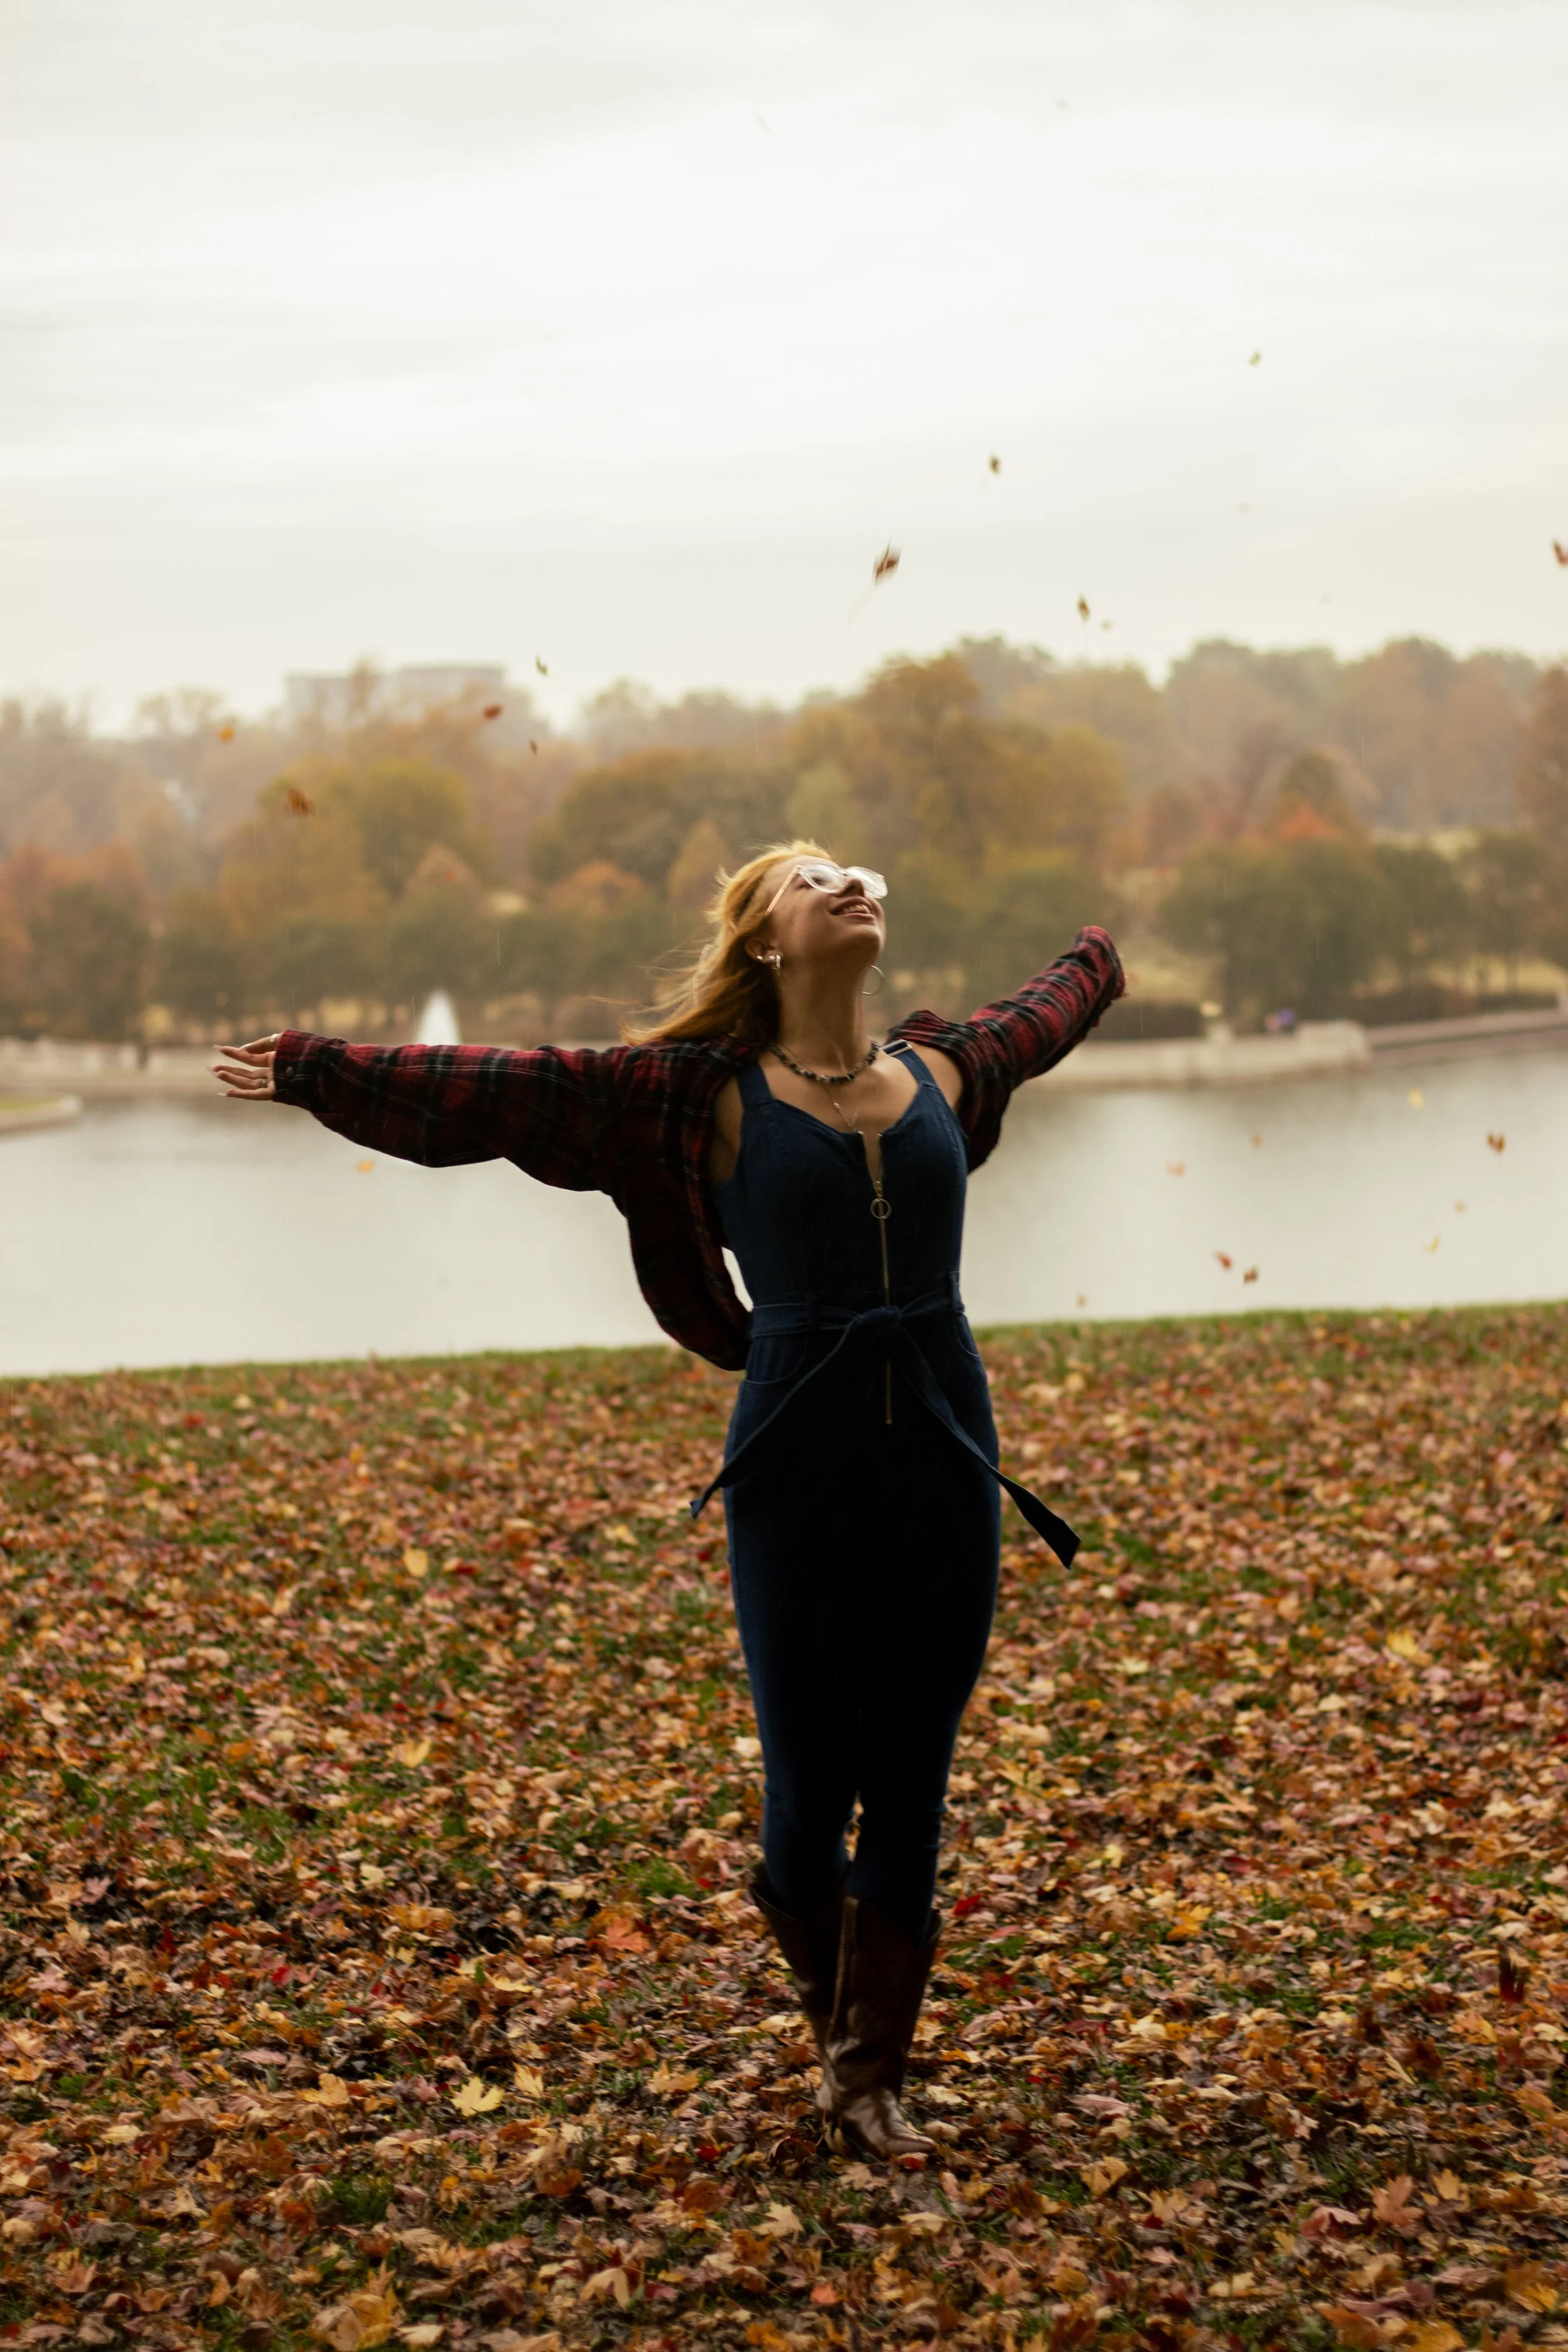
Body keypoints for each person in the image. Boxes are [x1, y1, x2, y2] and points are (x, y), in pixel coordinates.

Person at [215, 841, 1123, 2158]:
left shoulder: (937, 1072)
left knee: (913, 1774)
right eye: (811, 879)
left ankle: (868, 2081)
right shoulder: (694, 1100)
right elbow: (495, 1090)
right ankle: (836, 2033)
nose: (849, 883)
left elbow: (1042, 1015)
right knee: (811, 1788)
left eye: (858, 869)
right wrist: (316, 1065)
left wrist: (1100, 956)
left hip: (943, 1448)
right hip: (796, 1461)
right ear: (763, 940)